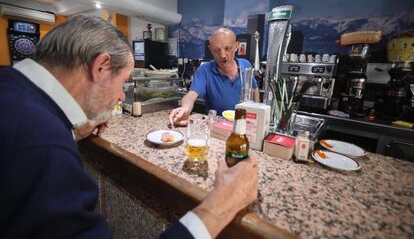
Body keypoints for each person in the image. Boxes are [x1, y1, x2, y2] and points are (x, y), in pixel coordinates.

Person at [0, 15, 258, 238]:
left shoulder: (12, 91)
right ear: (100, 66)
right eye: (123, 82)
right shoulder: (42, 147)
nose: (123, 96)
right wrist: (220, 205)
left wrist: (71, 133)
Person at [170, 28, 259, 126]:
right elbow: (191, 95)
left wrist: (256, 111)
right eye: (216, 51)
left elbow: (255, 89)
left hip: (244, 124)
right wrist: (185, 108)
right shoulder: (205, 70)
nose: (222, 55)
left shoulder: (246, 65)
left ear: (236, 46)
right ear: (210, 49)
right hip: (217, 126)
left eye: (227, 48)